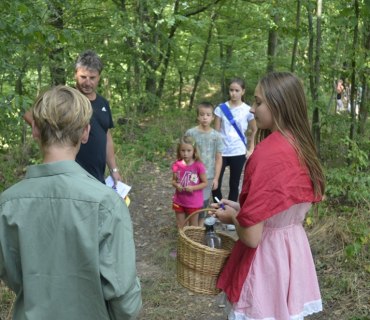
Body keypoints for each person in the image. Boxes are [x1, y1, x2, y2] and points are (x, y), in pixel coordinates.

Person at [0, 86, 142, 319]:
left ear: (35, 128)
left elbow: (14, 275)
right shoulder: (106, 204)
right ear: (85, 132)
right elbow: (124, 299)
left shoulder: (7, 205)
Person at [212, 72, 325, 319]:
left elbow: (252, 237)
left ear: (280, 104)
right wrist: (242, 208)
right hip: (292, 251)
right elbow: (279, 209)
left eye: (259, 102)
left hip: (266, 262)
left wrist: (233, 218)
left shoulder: (266, 155)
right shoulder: (304, 147)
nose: (252, 109)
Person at [24, 50, 122, 185]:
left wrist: (114, 169)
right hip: (69, 176)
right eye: (83, 77)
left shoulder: (103, 103)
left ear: (99, 77)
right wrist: (50, 132)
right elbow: (29, 114)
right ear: (75, 74)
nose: (87, 83)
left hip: (97, 176)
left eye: (92, 78)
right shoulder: (65, 99)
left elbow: (107, 137)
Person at [212, 78, 257, 230]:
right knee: (215, 182)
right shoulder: (221, 108)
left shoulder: (248, 110)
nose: (234, 93)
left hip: (238, 151)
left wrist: (251, 148)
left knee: (234, 184)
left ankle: (231, 215)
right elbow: (216, 132)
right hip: (222, 151)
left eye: (237, 90)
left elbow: (255, 129)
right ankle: (219, 210)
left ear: (243, 91)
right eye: (231, 90)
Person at [185, 102, 224, 226]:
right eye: (202, 115)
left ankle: (199, 227)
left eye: (208, 115)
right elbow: (184, 153)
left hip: (208, 176)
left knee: (203, 202)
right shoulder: (190, 133)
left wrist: (216, 178)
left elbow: (218, 159)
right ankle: (191, 227)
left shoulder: (216, 136)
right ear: (198, 116)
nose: (205, 117)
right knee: (190, 202)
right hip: (191, 176)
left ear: (213, 117)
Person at [172, 135, 208, 228]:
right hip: (179, 200)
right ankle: (183, 242)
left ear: (194, 151)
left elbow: (205, 183)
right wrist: (177, 185)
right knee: (181, 226)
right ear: (179, 151)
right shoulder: (177, 164)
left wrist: (193, 187)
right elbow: (173, 181)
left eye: (189, 151)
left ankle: (192, 242)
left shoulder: (198, 166)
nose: (185, 154)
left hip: (193, 202)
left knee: (193, 227)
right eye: (183, 151)